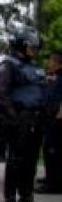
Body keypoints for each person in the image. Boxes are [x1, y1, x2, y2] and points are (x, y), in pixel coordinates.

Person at [0, 27, 49, 202]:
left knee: (31, 160)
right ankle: (10, 200)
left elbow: (41, 92)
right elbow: (1, 94)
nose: (34, 51)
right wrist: (12, 117)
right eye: (31, 47)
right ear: (21, 46)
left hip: (37, 117)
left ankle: (27, 198)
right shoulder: (8, 65)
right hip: (19, 117)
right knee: (16, 160)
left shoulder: (35, 67)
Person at [37, 51, 62, 194]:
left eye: (51, 60)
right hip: (50, 116)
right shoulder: (54, 76)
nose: (48, 63)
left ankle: (54, 183)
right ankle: (50, 177)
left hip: (58, 118)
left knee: (54, 150)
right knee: (49, 149)